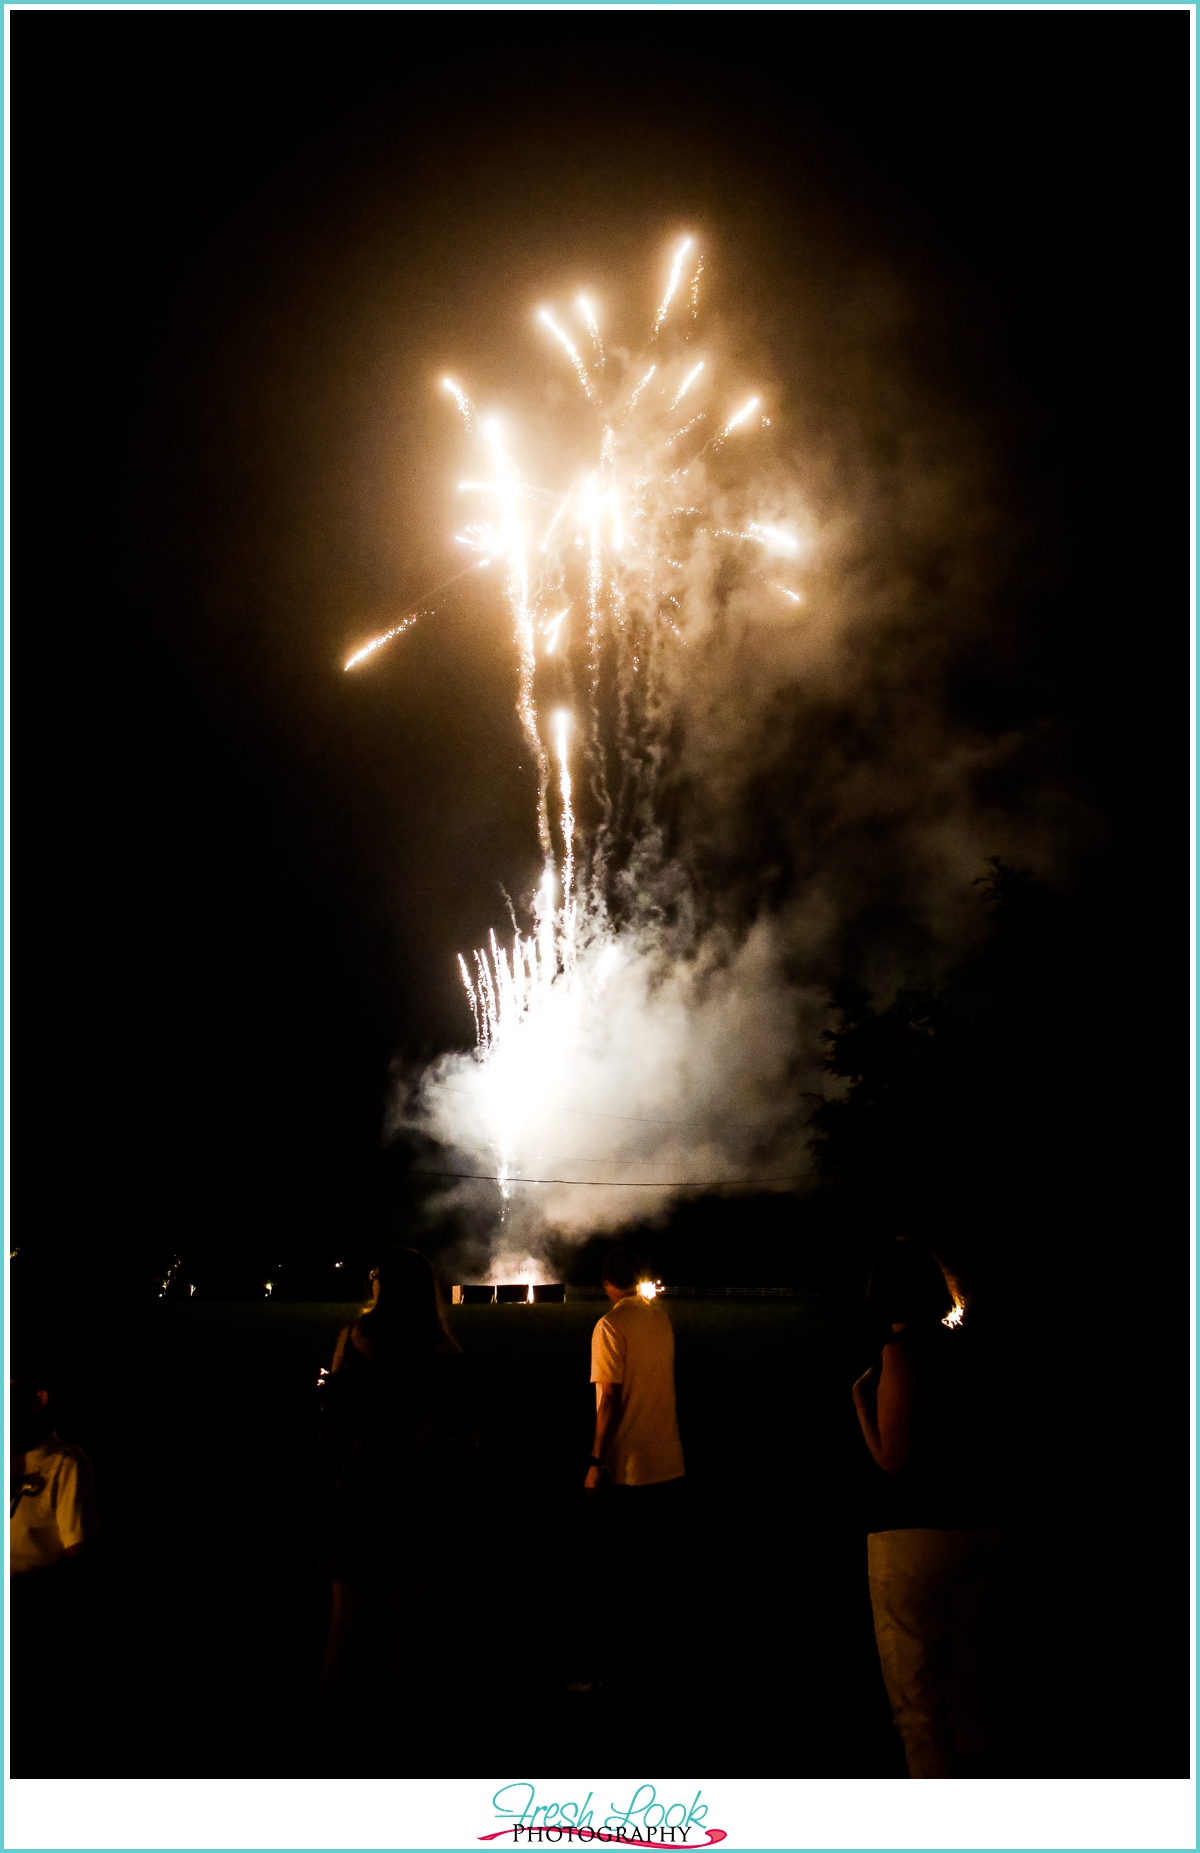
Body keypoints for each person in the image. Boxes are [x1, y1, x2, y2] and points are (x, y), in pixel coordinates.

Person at [851, 1238, 998, 1778]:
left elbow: (894, 1459)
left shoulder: (902, 1352)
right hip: (976, 1527)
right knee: (967, 1684)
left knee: (919, 1708)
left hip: (914, 1539)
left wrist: (860, 1403)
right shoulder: (964, 1347)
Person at [319, 1247, 472, 1709]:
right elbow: (456, 1425)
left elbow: (335, 1421)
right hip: (412, 1494)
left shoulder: (352, 1340)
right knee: (406, 1625)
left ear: (382, 1285)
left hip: (360, 1488)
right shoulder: (444, 1352)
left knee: (343, 1625)